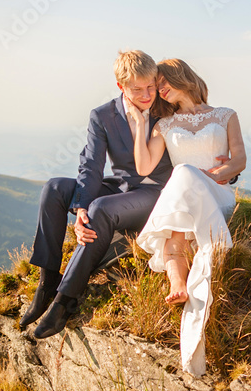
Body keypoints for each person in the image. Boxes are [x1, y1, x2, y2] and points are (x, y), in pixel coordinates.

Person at [21, 50, 175, 339]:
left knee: (102, 208)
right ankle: (47, 282)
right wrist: (81, 209)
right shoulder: (103, 115)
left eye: (151, 87)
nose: (146, 95)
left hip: (154, 193)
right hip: (118, 187)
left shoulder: (167, 108)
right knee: (54, 188)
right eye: (137, 89)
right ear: (121, 87)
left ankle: (65, 301)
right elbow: (91, 165)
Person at [133, 58, 246, 376]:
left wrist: (215, 174)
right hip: (185, 195)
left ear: (180, 75)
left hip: (216, 193)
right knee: (181, 180)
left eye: (163, 80)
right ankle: (178, 284)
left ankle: (180, 277)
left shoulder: (225, 115)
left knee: (184, 173)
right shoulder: (163, 125)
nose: (159, 88)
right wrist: (141, 124)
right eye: (157, 85)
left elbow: (239, 159)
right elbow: (144, 167)